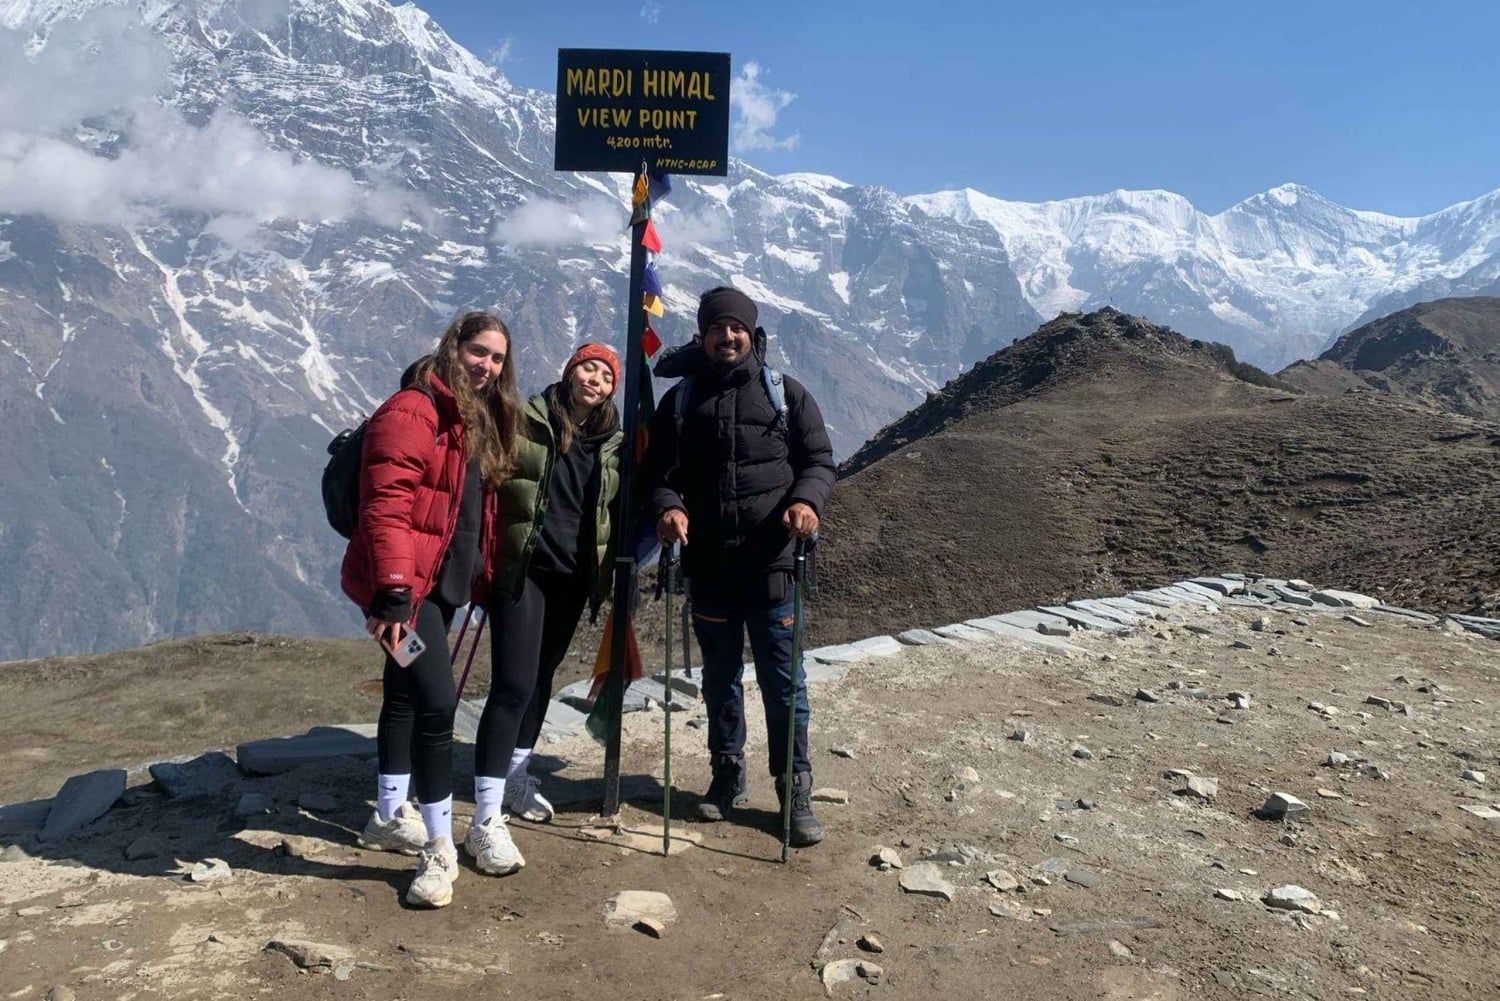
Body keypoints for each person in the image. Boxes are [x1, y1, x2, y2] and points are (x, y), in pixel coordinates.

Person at [644, 287, 836, 846]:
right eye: (715, 330)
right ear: (701, 337)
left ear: (752, 334)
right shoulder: (679, 403)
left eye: (736, 329)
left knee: (784, 683)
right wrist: (670, 507)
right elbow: (661, 475)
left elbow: (819, 461)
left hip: (773, 563)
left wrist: (807, 500)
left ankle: (792, 788)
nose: (726, 338)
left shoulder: (786, 395)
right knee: (719, 679)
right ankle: (726, 774)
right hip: (710, 569)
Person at [341, 310, 520, 908]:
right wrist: (392, 591)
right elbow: (384, 506)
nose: (487, 366)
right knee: (438, 705)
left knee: (402, 693)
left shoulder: (472, 416)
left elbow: (473, 511)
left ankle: (389, 816)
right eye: (478, 352)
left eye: (496, 358)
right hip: (404, 595)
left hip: (436, 589)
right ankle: (439, 849)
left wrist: (483, 576)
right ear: (454, 346)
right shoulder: (414, 410)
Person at [466, 343, 625, 875]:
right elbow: (490, 477)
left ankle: (514, 776)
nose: (595, 379)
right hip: (524, 570)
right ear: (568, 369)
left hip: (573, 579)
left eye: (606, 375)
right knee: (512, 683)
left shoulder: (613, 442)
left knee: (542, 679)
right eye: (588, 367)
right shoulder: (526, 418)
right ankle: (485, 818)